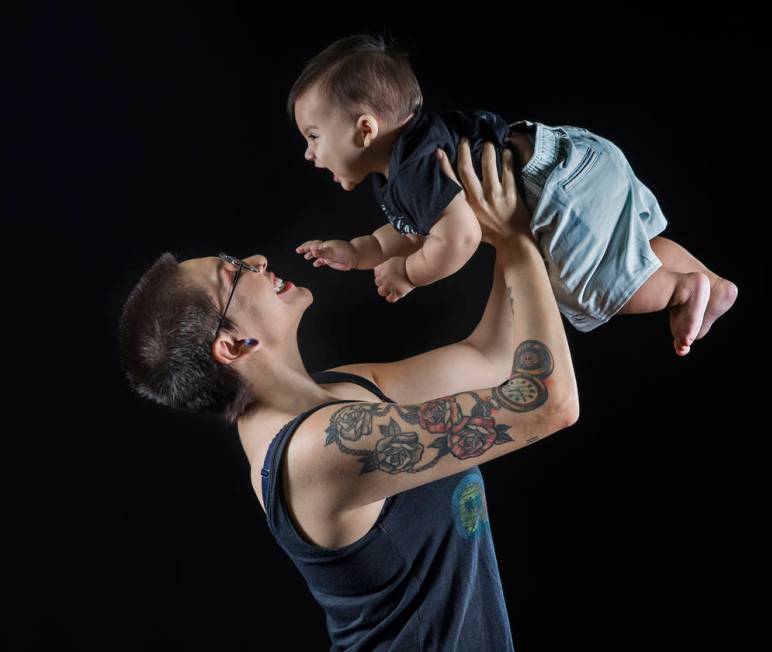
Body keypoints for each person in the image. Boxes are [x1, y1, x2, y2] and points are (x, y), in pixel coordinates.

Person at [117, 137, 578, 650]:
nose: (254, 259)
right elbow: (547, 403)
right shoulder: (316, 452)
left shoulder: (340, 390)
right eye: (232, 271)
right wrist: (513, 241)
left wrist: (512, 215)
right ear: (232, 344)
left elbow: (492, 358)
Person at [288, 33, 738, 357]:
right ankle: (711, 286)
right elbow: (410, 230)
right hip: (571, 154)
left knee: (584, 287)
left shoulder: (413, 170)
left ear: (365, 129)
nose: (310, 154)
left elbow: (458, 237)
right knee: (628, 249)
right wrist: (357, 251)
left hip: (555, 190)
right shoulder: (412, 160)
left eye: (313, 136)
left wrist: (409, 274)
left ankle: (682, 288)